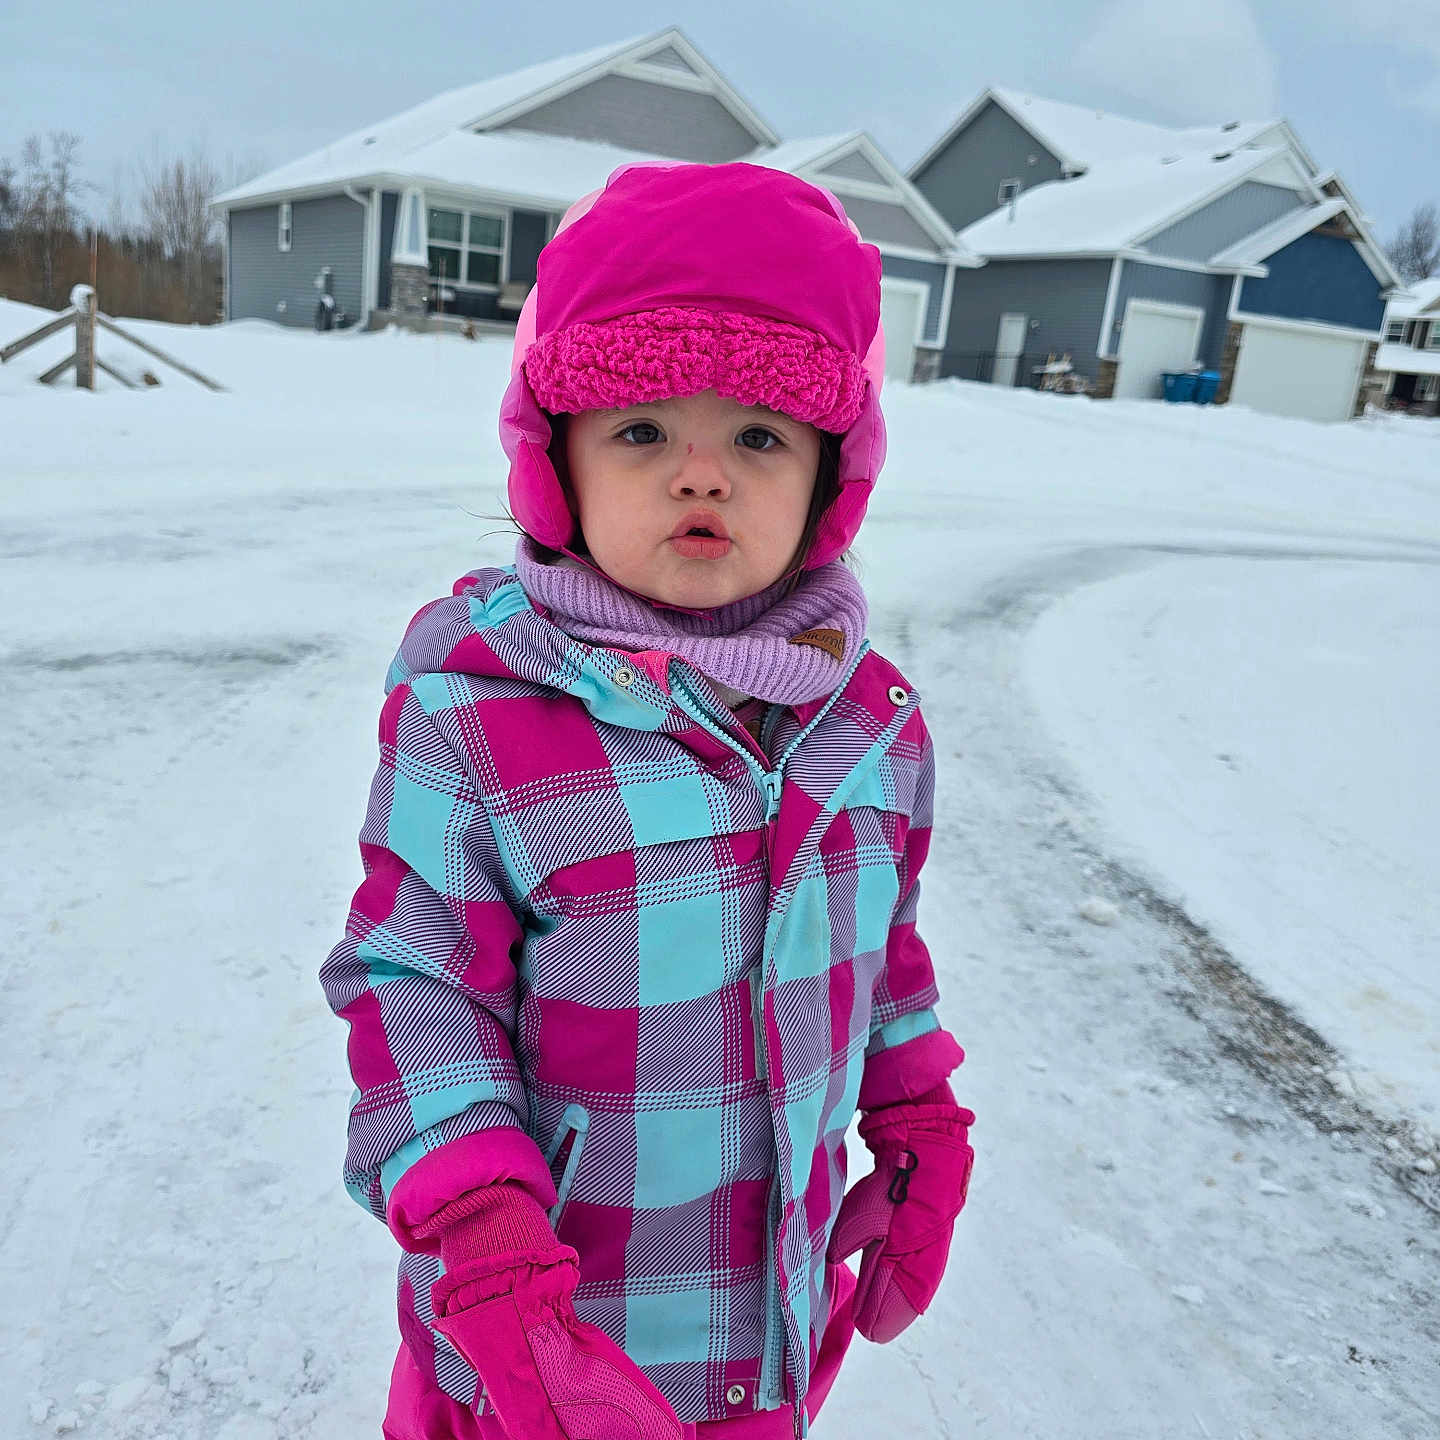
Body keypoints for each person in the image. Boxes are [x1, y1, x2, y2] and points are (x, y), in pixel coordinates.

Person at [321, 161, 974, 1440]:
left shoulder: (870, 722)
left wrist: (915, 1112)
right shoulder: (482, 710)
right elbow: (415, 981)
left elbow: (882, 949)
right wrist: (476, 1227)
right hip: (531, 1343)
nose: (702, 476)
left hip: (756, 1352)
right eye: (641, 431)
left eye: (758, 436)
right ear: (552, 460)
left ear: (828, 478)